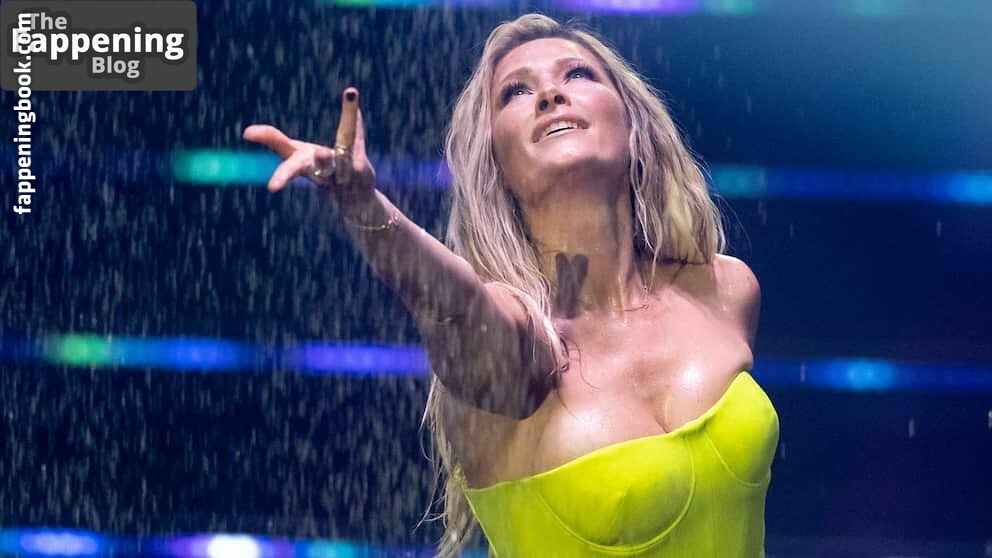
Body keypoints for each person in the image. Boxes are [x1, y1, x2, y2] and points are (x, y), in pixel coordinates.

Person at [244, 13, 779, 557]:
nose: (550, 94)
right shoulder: (518, 341)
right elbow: (455, 306)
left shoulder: (725, 289)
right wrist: (365, 208)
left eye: (577, 74)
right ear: (494, 164)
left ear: (634, 125)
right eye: (516, 92)